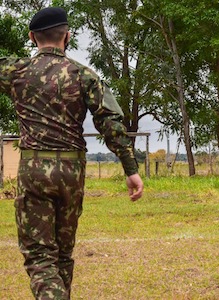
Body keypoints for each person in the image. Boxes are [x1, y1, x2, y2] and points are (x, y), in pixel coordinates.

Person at [0, 7, 144, 299]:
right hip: (71, 172)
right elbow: (111, 123)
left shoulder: (16, 71)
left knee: (41, 257)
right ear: (67, 36)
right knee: (63, 254)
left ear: (31, 37)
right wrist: (131, 169)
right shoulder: (84, 75)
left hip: (35, 170)